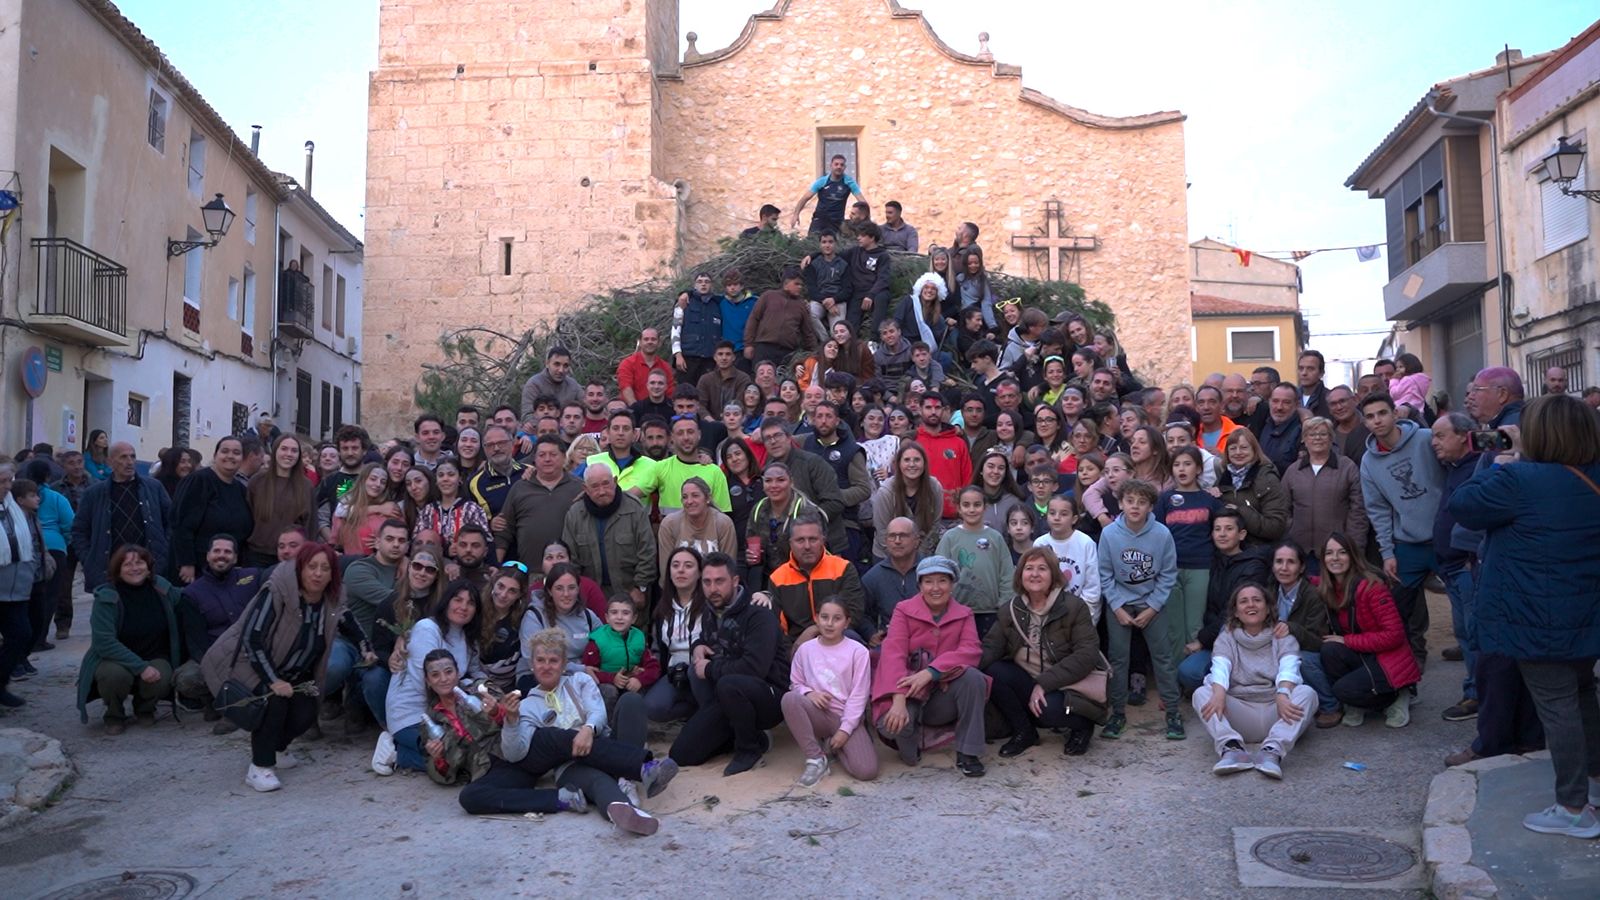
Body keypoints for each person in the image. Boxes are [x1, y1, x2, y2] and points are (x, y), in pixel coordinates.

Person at [1449, 394, 1600, 838]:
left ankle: (1573, 808)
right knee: (1582, 695)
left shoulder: (1518, 479)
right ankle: (1594, 783)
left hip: (1535, 617)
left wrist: (1503, 462)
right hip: (1585, 613)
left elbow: (1463, 504)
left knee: (1557, 706)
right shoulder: (1591, 475)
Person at [456, 627, 678, 833]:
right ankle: (627, 809)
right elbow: (515, 753)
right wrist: (511, 721)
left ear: (564, 664)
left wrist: (588, 729)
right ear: (532, 665)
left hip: (603, 744)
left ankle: (631, 774)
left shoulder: (579, 680)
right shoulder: (527, 705)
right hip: (571, 764)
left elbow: (597, 712)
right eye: (540, 660)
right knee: (596, 781)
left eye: (553, 661)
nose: (546, 666)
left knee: (631, 701)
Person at [201, 543, 373, 791]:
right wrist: (273, 680)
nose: (318, 573)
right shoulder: (276, 591)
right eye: (312, 566)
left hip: (295, 672)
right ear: (300, 568)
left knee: (307, 711)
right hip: (251, 664)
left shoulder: (331, 600)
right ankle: (260, 766)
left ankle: (277, 748)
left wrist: (366, 648)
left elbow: (349, 623)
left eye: (325, 568)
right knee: (274, 704)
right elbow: (252, 638)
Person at [668, 552, 789, 776]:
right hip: (728, 696)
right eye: (707, 582)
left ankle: (748, 751)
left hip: (769, 695)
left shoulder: (758, 615)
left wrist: (710, 669)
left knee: (728, 682)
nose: (713, 588)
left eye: (719, 581)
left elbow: (754, 668)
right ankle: (751, 736)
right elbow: (708, 640)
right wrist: (698, 646)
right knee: (681, 754)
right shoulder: (710, 611)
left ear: (734, 581)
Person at [981, 546, 1107, 758]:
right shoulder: (1010, 610)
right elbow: (990, 648)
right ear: (1020, 575)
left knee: (1048, 711)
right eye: (1029, 568)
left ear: (1054, 574)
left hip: (1066, 684)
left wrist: (1044, 683)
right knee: (994, 670)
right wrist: (955, 670)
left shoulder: (1074, 607)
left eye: (1042, 568)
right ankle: (1024, 732)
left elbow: (1087, 654)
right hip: (1028, 680)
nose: (1035, 574)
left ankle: (1082, 725)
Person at [871, 555, 990, 777]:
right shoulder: (903, 610)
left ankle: (968, 752)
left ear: (952, 585)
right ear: (920, 585)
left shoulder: (964, 614)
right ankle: (912, 740)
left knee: (973, 678)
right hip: (907, 691)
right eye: (928, 581)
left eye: (942, 581)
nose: (935, 588)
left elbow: (971, 650)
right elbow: (893, 653)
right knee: (896, 731)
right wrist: (898, 699)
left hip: (942, 695)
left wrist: (931, 672)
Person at [1192, 583, 1318, 779]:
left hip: (1277, 712)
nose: (1251, 605)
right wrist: (1218, 693)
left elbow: (1290, 667)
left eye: (1257, 600)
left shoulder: (1282, 636)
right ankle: (1232, 749)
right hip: (1239, 714)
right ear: (1235, 611)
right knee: (1202, 693)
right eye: (1243, 601)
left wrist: (1283, 693)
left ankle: (1272, 751)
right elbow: (1220, 668)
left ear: (1267, 608)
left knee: (1307, 694)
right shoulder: (1226, 638)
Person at [1358, 392, 1443, 669]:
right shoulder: (1369, 461)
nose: (1377, 420)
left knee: (1466, 605)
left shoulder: (1426, 439)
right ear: (1365, 423)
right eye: (1370, 417)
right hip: (1407, 542)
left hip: (1444, 538)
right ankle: (1408, 663)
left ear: (1395, 414)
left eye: (1382, 413)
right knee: (1398, 609)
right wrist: (1387, 552)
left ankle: (1475, 677)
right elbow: (1378, 510)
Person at [1097, 478, 1182, 741]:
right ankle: (1117, 713)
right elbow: (1104, 574)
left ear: (1150, 507)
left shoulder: (1161, 534)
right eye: (1130, 501)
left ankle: (1173, 712)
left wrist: (1153, 607)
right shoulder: (1109, 534)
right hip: (1120, 603)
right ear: (1121, 504)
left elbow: (1168, 574)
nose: (1135, 506)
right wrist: (1116, 606)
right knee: (1118, 658)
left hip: (1151, 602)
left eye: (1142, 502)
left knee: (1163, 657)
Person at [1315, 532, 1420, 730]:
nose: (1335, 558)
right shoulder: (1330, 588)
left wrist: (1348, 641)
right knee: (1329, 649)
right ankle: (1360, 701)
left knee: (1342, 690)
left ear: (1353, 556)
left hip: (1387, 657)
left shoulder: (1372, 587)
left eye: (1342, 552)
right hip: (1365, 654)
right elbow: (1306, 581)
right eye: (1329, 553)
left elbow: (1394, 635)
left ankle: (1398, 695)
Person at [382, 578, 484, 775]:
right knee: (454, 761)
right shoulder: (428, 629)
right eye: (457, 600)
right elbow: (424, 683)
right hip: (412, 714)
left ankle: (402, 750)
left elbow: (475, 672)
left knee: (467, 754)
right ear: (446, 601)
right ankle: (396, 752)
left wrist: (487, 690)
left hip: (444, 711)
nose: (463, 607)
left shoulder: (468, 638)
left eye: (470, 603)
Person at [781, 596, 879, 786]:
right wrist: (809, 693)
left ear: (847, 623)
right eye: (824, 617)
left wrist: (845, 731)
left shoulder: (858, 652)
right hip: (817, 713)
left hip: (845, 717)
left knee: (867, 771)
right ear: (816, 618)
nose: (830, 623)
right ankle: (816, 758)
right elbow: (795, 683)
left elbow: (859, 696)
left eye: (837, 618)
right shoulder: (805, 650)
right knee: (790, 699)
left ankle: (833, 746)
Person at [1176, 510, 1271, 692]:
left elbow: (1235, 612)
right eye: (1217, 529)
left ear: (1241, 534)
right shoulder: (1211, 560)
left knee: (1196, 673)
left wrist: (1202, 640)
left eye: (1228, 529)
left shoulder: (1253, 566)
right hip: (1214, 639)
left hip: (1240, 638)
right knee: (1188, 672)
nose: (1222, 534)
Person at [174, 535, 260, 730]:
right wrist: (218, 669)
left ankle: (233, 707)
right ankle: (215, 700)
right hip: (215, 656)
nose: (222, 555)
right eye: (217, 551)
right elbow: (196, 641)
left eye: (227, 552)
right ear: (208, 556)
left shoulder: (252, 577)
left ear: (235, 558)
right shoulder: (192, 593)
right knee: (187, 679)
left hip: (252, 652)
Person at [1429, 412, 1482, 722]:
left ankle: (1478, 695)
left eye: (1440, 435)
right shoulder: (1454, 468)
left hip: (1467, 566)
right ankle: (1476, 690)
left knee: (1474, 635)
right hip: (1451, 567)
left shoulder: (1479, 467)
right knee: (1464, 633)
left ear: (1463, 436)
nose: (1434, 442)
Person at [71, 442, 172, 593]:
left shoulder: (153, 488)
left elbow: (171, 522)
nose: (129, 462)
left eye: (132, 456)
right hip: (109, 569)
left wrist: (164, 551)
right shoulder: (95, 493)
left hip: (149, 566)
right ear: (110, 461)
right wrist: (89, 558)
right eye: (123, 457)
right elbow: (79, 530)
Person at [562, 466, 656, 615]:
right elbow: (570, 559)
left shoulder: (634, 508)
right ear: (585, 489)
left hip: (630, 593)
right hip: (590, 596)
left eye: (606, 484)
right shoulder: (575, 514)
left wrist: (640, 587)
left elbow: (647, 551)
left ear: (615, 481)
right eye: (595, 486)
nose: (602, 491)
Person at [761, 515, 867, 645]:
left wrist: (814, 631)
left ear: (823, 541)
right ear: (790, 544)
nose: (807, 546)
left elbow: (853, 613)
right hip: (796, 644)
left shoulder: (843, 568)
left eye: (813, 539)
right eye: (800, 540)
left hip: (837, 638)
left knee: (852, 636)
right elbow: (777, 628)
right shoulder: (778, 578)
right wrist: (794, 650)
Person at [1281, 417, 1367, 574]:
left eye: (1323, 434)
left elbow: (1358, 511)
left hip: (1337, 551)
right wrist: (1291, 531)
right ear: (1304, 439)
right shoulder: (1293, 471)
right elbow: (1283, 508)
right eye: (1312, 434)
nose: (1317, 438)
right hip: (1301, 551)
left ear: (1331, 438)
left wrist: (1354, 547)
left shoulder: (1347, 467)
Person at [1155, 447, 1218, 657]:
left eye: (1187, 464)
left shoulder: (1209, 499)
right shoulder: (1165, 499)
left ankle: (1193, 674)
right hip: (1170, 569)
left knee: (1194, 626)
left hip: (1201, 567)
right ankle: (1175, 673)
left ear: (1198, 469)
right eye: (1177, 464)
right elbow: (1156, 532)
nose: (1181, 469)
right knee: (1173, 627)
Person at [1267, 540, 1337, 727]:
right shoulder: (1268, 591)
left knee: (1302, 660)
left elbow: (1318, 642)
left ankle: (1330, 706)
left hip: (1307, 652)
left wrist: (1292, 628)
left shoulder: (1313, 595)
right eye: (1279, 561)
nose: (1284, 568)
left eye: (1291, 562)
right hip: (1277, 650)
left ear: (1302, 567)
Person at [414, 648, 509, 786]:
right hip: (481, 773)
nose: (443, 679)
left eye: (448, 672)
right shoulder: (431, 723)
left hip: (508, 754)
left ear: (458, 673)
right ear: (428, 681)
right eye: (435, 675)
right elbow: (441, 772)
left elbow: (515, 719)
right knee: (472, 796)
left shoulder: (481, 692)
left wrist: (496, 712)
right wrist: (438, 758)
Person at [170, 436, 254, 585]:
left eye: (236, 453)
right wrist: (186, 562)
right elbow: (181, 524)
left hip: (229, 569)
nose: (230, 456)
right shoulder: (198, 481)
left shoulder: (241, 489)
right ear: (215, 456)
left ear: (241, 459)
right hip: (198, 568)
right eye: (225, 451)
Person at [936, 486, 1014, 637]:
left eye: (977, 505)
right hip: (956, 611)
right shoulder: (950, 538)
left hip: (990, 612)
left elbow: (1006, 573)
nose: (971, 509)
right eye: (966, 505)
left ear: (985, 507)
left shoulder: (995, 537)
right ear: (959, 508)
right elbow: (939, 573)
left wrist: (1003, 604)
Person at [496, 437, 584, 569]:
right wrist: (497, 566)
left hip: (571, 573)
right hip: (530, 572)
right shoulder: (520, 488)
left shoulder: (579, 487)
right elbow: (504, 531)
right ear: (534, 459)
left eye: (553, 454)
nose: (547, 459)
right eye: (542, 455)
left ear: (564, 457)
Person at [648, 546, 711, 723]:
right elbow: (658, 649)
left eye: (688, 566)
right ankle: (696, 711)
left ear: (700, 573)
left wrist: (764, 595)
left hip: (703, 672)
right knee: (653, 708)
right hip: (674, 672)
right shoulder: (662, 608)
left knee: (696, 675)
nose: (681, 570)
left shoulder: (710, 605)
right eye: (675, 565)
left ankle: (709, 714)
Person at [0, 465, 42, 707]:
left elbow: (27, 543)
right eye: (3, 481)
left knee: (21, 635)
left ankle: (0, 683)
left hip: (17, 588)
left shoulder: (12, 508)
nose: (8, 486)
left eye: (9, 480)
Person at [580, 595, 661, 713]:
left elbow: (654, 667)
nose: (619, 617)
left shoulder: (638, 638)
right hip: (606, 684)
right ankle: (606, 723)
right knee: (609, 691)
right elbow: (588, 672)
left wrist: (640, 679)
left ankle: (633, 722)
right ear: (607, 618)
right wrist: (612, 678)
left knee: (638, 693)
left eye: (625, 613)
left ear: (634, 618)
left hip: (631, 682)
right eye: (614, 612)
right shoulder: (598, 641)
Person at [243, 435, 315, 568]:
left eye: (294, 450)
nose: (289, 454)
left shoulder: (306, 486)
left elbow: (310, 524)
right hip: (258, 554)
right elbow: (248, 515)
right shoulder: (257, 481)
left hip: (292, 556)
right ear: (275, 451)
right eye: (284, 449)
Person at [1216, 428, 1290, 547]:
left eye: (1244, 447)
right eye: (1233, 448)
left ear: (1254, 450)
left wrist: (1240, 512)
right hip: (1227, 551)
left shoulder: (1267, 479)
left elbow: (1275, 527)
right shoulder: (1222, 479)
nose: (1238, 452)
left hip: (1259, 550)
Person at [656, 477, 737, 579]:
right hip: (680, 585)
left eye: (695, 496)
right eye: (685, 497)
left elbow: (729, 568)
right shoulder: (669, 524)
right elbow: (666, 569)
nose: (689, 501)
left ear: (708, 498)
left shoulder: (723, 523)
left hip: (714, 584)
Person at [862, 516, 922, 645]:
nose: (897, 541)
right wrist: (871, 634)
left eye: (903, 536)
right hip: (891, 642)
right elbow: (861, 615)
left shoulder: (930, 572)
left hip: (928, 639)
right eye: (892, 536)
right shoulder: (873, 577)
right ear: (886, 541)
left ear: (916, 541)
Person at [743, 267, 818, 367]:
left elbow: (808, 332)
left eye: (801, 285)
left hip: (787, 352)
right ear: (786, 284)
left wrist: (814, 354)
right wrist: (748, 344)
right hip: (764, 347)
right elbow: (753, 319)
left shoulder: (801, 305)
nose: (800, 287)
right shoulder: (768, 296)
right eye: (796, 284)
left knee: (783, 376)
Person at [792, 153, 868, 236]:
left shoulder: (849, 182)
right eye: (836, 164)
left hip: (837, 222)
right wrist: (796, 214)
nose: (839, 167)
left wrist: (866, 220)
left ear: (845, 167)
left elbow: (863, 203)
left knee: (837, 243)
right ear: (831, 166)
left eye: (842, 165)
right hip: (819, 220)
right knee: (812, 242)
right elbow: (805, 198)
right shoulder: (822, 181)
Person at [672, 272, 724, 386]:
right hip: (687, 358)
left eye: (707, 282)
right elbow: (675, 329)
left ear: (711, 285)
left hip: (709, 360)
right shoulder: (684, 302)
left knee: (707, 393)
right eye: (700, 282)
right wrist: (677, 355)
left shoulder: (718, 304)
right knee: (685, 392)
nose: (703, 284)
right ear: (694, 285)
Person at [802, 232, 850, 337]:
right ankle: (826, 341)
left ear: (835, 243)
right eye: (824, 242)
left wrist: (834, 300)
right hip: (819, 300)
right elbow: (812, 289)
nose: (827, 245)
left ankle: (833, 341)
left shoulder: (843, 264)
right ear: (820, 244)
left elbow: (847, 290)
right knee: (809, 314)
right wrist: (826, 302)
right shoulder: (813, 264)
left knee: (837, 331)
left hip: (838, 301)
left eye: (830, 242)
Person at [520, 345, 581, 418]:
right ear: (547, 363)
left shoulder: (573, 385)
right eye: (557, 364)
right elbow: (527, 415)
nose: (561, 370)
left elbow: (586, 407)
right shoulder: (534, 384)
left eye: (565, 366)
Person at [1256, 383, 1304, 476]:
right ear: (1269, 402)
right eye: (1275, 401)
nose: (1279, 407)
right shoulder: (1262, 423)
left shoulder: (1302, 431)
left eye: (1286, 402)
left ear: (1297, 405)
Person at [696, 342, 754, 417]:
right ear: (715, 357)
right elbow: (700, 405)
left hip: (736, 420)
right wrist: (710, 421)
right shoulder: (705, 379)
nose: (724, 358)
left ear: (733, 357)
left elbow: (741, 404)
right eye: (720, 354)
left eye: (728, 354)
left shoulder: (743, 378)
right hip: (709, 422)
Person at [1388, 352, 1432, 419]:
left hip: (1405, 410)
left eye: (1401, 367)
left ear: (1410, 366)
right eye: (1397, 367)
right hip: (1419, 409)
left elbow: (1394, 394)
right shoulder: (1422, 379)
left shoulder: (1407, 380)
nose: (1397, 370)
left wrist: (1394, 380)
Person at [1297, 350, 1332, 419]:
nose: (1304, 373)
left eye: (1310, 369)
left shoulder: (1329, 399)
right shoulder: (1292, 397)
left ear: (1321, 373)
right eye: (1301, 368)